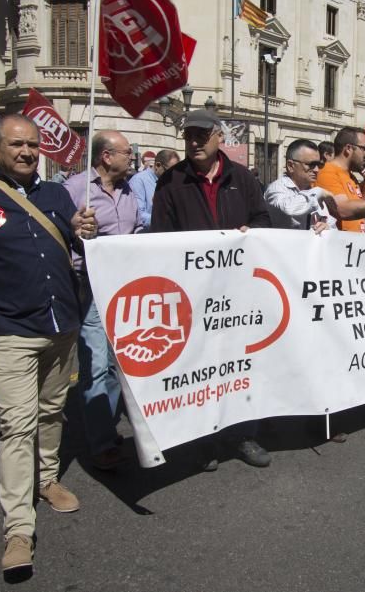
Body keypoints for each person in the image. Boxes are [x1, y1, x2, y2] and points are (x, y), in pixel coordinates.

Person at [0, 113, 96, 574]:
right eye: (16, 145)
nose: (27, 152)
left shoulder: (56, 194)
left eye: (33, 144)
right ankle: (18, 530)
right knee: (17, 427)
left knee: (51, 412)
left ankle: (47, 478)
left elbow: (77, 248)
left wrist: (83, 231)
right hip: (12, 331)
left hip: (62, 325)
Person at [150, 108, 272, 469]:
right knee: (199, 369)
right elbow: (160, 237)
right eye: (189, 136)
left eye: (202, 135)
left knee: (241, 364)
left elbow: (263, 219)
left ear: (220, 137)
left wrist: (252, 233)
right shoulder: (170, 182)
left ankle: (244, 435)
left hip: (238, 293)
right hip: (193, 294)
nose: (195, 141)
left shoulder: (243, 179)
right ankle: (203, 441)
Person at [63, 131, 144, 470]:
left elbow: (138, 227)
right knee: (96, 363)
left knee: (117, 363)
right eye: (127, 152)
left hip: (124, 286)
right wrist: (75, 229)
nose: (132, 157)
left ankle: (106, 429)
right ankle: (102, 443)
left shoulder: (129, 191)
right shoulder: (75, 189)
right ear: (107, 156)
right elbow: (59, 233)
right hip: (91, 286)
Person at [264, 139, 337, 231]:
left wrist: (327, 228)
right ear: (291, 166)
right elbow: (287, 209)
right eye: (311, 164)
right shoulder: (276, 189)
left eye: (318, 165)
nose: (316, 170)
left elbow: (333, 227)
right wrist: (318, 192)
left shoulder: (314, 193)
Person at [128, 148, 179, 230]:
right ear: (158, 165)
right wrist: (163, 221)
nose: (173, 176)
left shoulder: (170, 181)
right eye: (170, 172)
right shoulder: (138, 180)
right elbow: (138, 214)